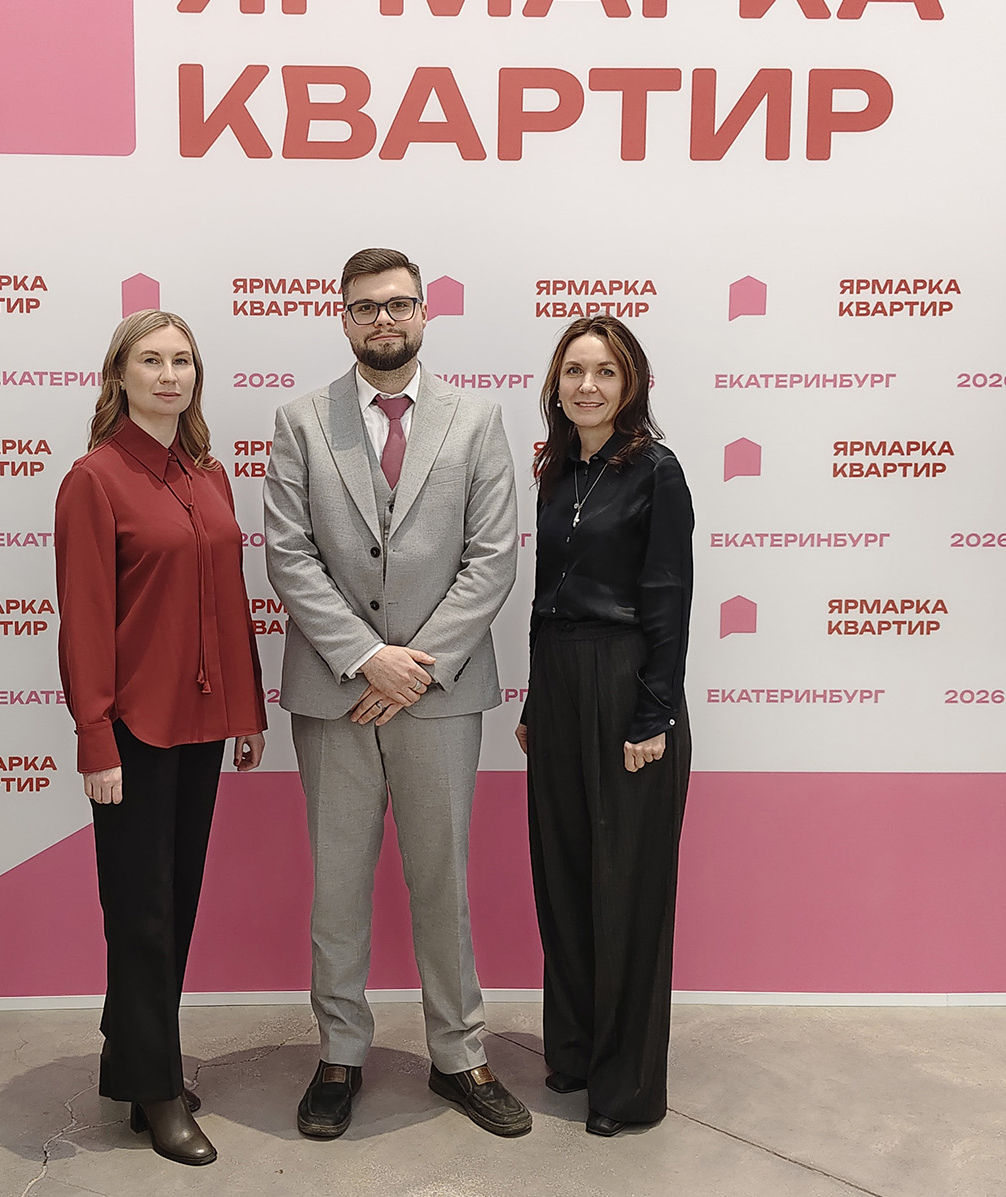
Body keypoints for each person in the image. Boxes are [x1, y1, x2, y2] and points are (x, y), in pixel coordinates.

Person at [264, 247, 530, 1139]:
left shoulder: (476, 419)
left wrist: (413, 665)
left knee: (441, 881)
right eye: (366, 306)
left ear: (423, 313)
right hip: (335, 693)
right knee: (337, 887)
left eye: (399, 303)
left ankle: (459, 1055)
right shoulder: (301, 421)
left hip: (439, 695)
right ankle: (340, 1052)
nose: (384, 318)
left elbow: (492, 556)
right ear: (342, 317)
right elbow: (289, 554)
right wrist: (365, 657)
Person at [54, 310, 266, 1166]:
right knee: (140, 914)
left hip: (204, 724)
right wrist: (94, 737)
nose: (169, 374)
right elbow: (84, 621)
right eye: (151, 359)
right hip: (134, 730)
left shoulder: (208, 475)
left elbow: (230, 599)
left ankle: (136, 1063)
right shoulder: (94, 479)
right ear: (120, 375)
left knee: (173, 906)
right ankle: (157, 1089)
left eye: (182, 360)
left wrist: (246, 710)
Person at [516, 315, 694, 1137]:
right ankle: (577, 1052)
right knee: (564, 879)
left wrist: (654, 713)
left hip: (627, 687)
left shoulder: (657, 471)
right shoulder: (556, 471)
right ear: (556, 383)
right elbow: (543, 594)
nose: (587, 385)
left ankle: (625, 1088)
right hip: (558, 685)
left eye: (606, 372)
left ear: (632, 385)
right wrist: (533, 699)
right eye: (574, 370)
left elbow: (668, 597)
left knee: (626, 891)